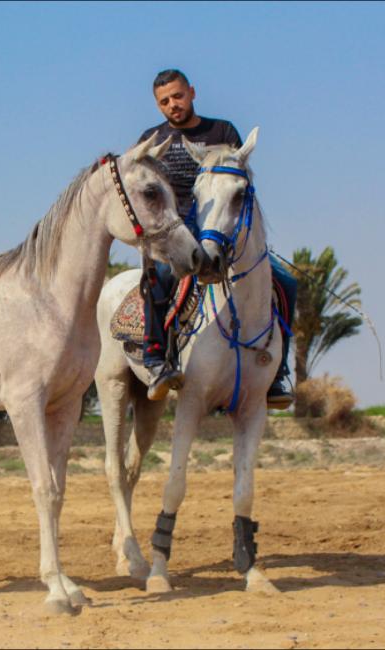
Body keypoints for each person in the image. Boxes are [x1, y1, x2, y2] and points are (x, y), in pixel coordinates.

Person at [137, 69, 296, 409]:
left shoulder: (222, 131)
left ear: (192, 93)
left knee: (285, 281)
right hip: (174, 232)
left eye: (178, 96)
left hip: (220, 229)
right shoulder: (151, 139)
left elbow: (239, 186)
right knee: (159, 277)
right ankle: (155, 357)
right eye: (164, 101)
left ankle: (278, 371)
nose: (172, 105)